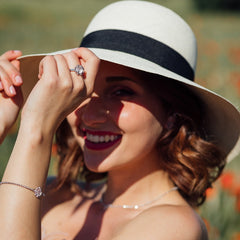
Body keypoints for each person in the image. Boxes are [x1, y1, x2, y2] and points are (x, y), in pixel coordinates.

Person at [0, 1, 239, 239]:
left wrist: (37, 129)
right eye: (83, 89)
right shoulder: (51, 193)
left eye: (121, 92)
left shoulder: (176, 226)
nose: (90, 117)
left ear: (172, 115)